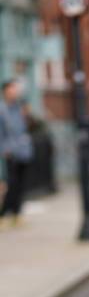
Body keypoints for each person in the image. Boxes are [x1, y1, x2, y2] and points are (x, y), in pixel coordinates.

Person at [0, 79, 33, 227]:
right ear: (5, 91)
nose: (15, 92)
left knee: (21, 184)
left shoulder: (20, 108)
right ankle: (4, 214)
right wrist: (3, 149)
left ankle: (17, 213)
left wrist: (27, 115)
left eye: (16, 89)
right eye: (12, 89)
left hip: (24, 150)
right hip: (10, 151)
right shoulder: (2, 109)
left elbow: (28, 127)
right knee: (12, 184)